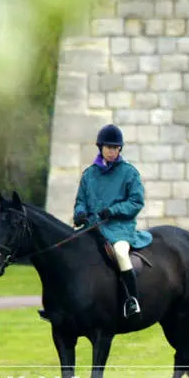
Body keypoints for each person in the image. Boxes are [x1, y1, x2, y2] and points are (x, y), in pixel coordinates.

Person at [73, 124, 152, 320]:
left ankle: (132, 301)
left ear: (120, 150)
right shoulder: (89, 174)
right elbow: (80, 201)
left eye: (115, 148)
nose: (112, 151)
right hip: (92, 227)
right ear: (101, 148)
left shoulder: (129, 172)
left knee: (120, 254)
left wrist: (114, 210)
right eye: (108, 147)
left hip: (119, 229)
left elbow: (136, 202)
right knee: (68, 253)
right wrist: (80, 213)